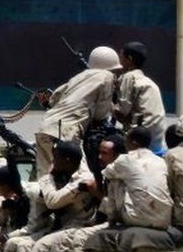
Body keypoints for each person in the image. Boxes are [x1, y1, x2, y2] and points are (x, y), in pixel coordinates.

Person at [35, 134, 128, 252]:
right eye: (98, 153)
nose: (99, 157)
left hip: (117, 222)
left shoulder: (122, 175)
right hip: (103, 222)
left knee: (63, 240)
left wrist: (97, 194)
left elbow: (118, 212)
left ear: (118, 156)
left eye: (104, 153)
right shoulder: (104, 173)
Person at [17, 140, 96, 252]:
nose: (53, 161)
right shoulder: (67, 174)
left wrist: (48, 178)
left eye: (56, 157)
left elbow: (53, 202)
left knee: (42, 246)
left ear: (67, 160)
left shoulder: (80, 180)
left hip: (80, 225)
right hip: (65, 226)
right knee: (23, 245)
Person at [35, 46, 121, 176]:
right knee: (80, 178)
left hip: (46, 127)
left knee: (46, 178)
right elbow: (100, 115)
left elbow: (54, 98)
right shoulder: (107, 77)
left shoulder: (80, 76)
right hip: (66, 131)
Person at [115, 42, 166, 155]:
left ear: (129, 59)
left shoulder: (129, 77)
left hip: (140, 139)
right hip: (156, 141)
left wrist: (107, 103)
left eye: (121, 56)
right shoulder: (148, 81)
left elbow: (123, 111)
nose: (119, 61)